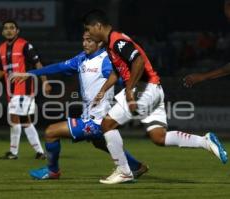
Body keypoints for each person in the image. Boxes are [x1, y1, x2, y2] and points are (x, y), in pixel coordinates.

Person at [82, 9, 228, 184]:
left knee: (107, 124)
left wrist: (129, 89)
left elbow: (138, 61)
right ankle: (205, 141)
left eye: (89, 29)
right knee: (159, 137)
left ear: (98, 26)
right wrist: (103, 90)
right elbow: (117, 70)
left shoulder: (117, 41)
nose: (87, 33)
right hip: (154, 88)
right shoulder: (112, 44)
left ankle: (124, 171)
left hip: (144, 89)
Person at [11, 31, 149, 180]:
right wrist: (30, 73)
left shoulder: (106, 61)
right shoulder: (81, 58)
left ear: (100, 43)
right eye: (84, 40)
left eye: (89, 41)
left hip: (97, 121)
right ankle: (136, 166)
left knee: (51, 132)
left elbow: (120, 77)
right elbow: (59, 67)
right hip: (91, 117)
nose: (85, 43)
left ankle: (52, 171)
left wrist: (131, 89)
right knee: (101, 143)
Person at [0, 20, 51, 160]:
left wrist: (45, 82)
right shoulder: (1, 48)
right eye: (6, 28)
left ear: (17, 31)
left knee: (14, 118)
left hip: (25, 86)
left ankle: (13, 153)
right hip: (11, 90)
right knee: (24, 120)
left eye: (12, 28)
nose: (9, 30)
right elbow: (1, 69)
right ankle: (39, 152)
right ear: (3, 32)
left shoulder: (25, 45)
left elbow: (38, 63)